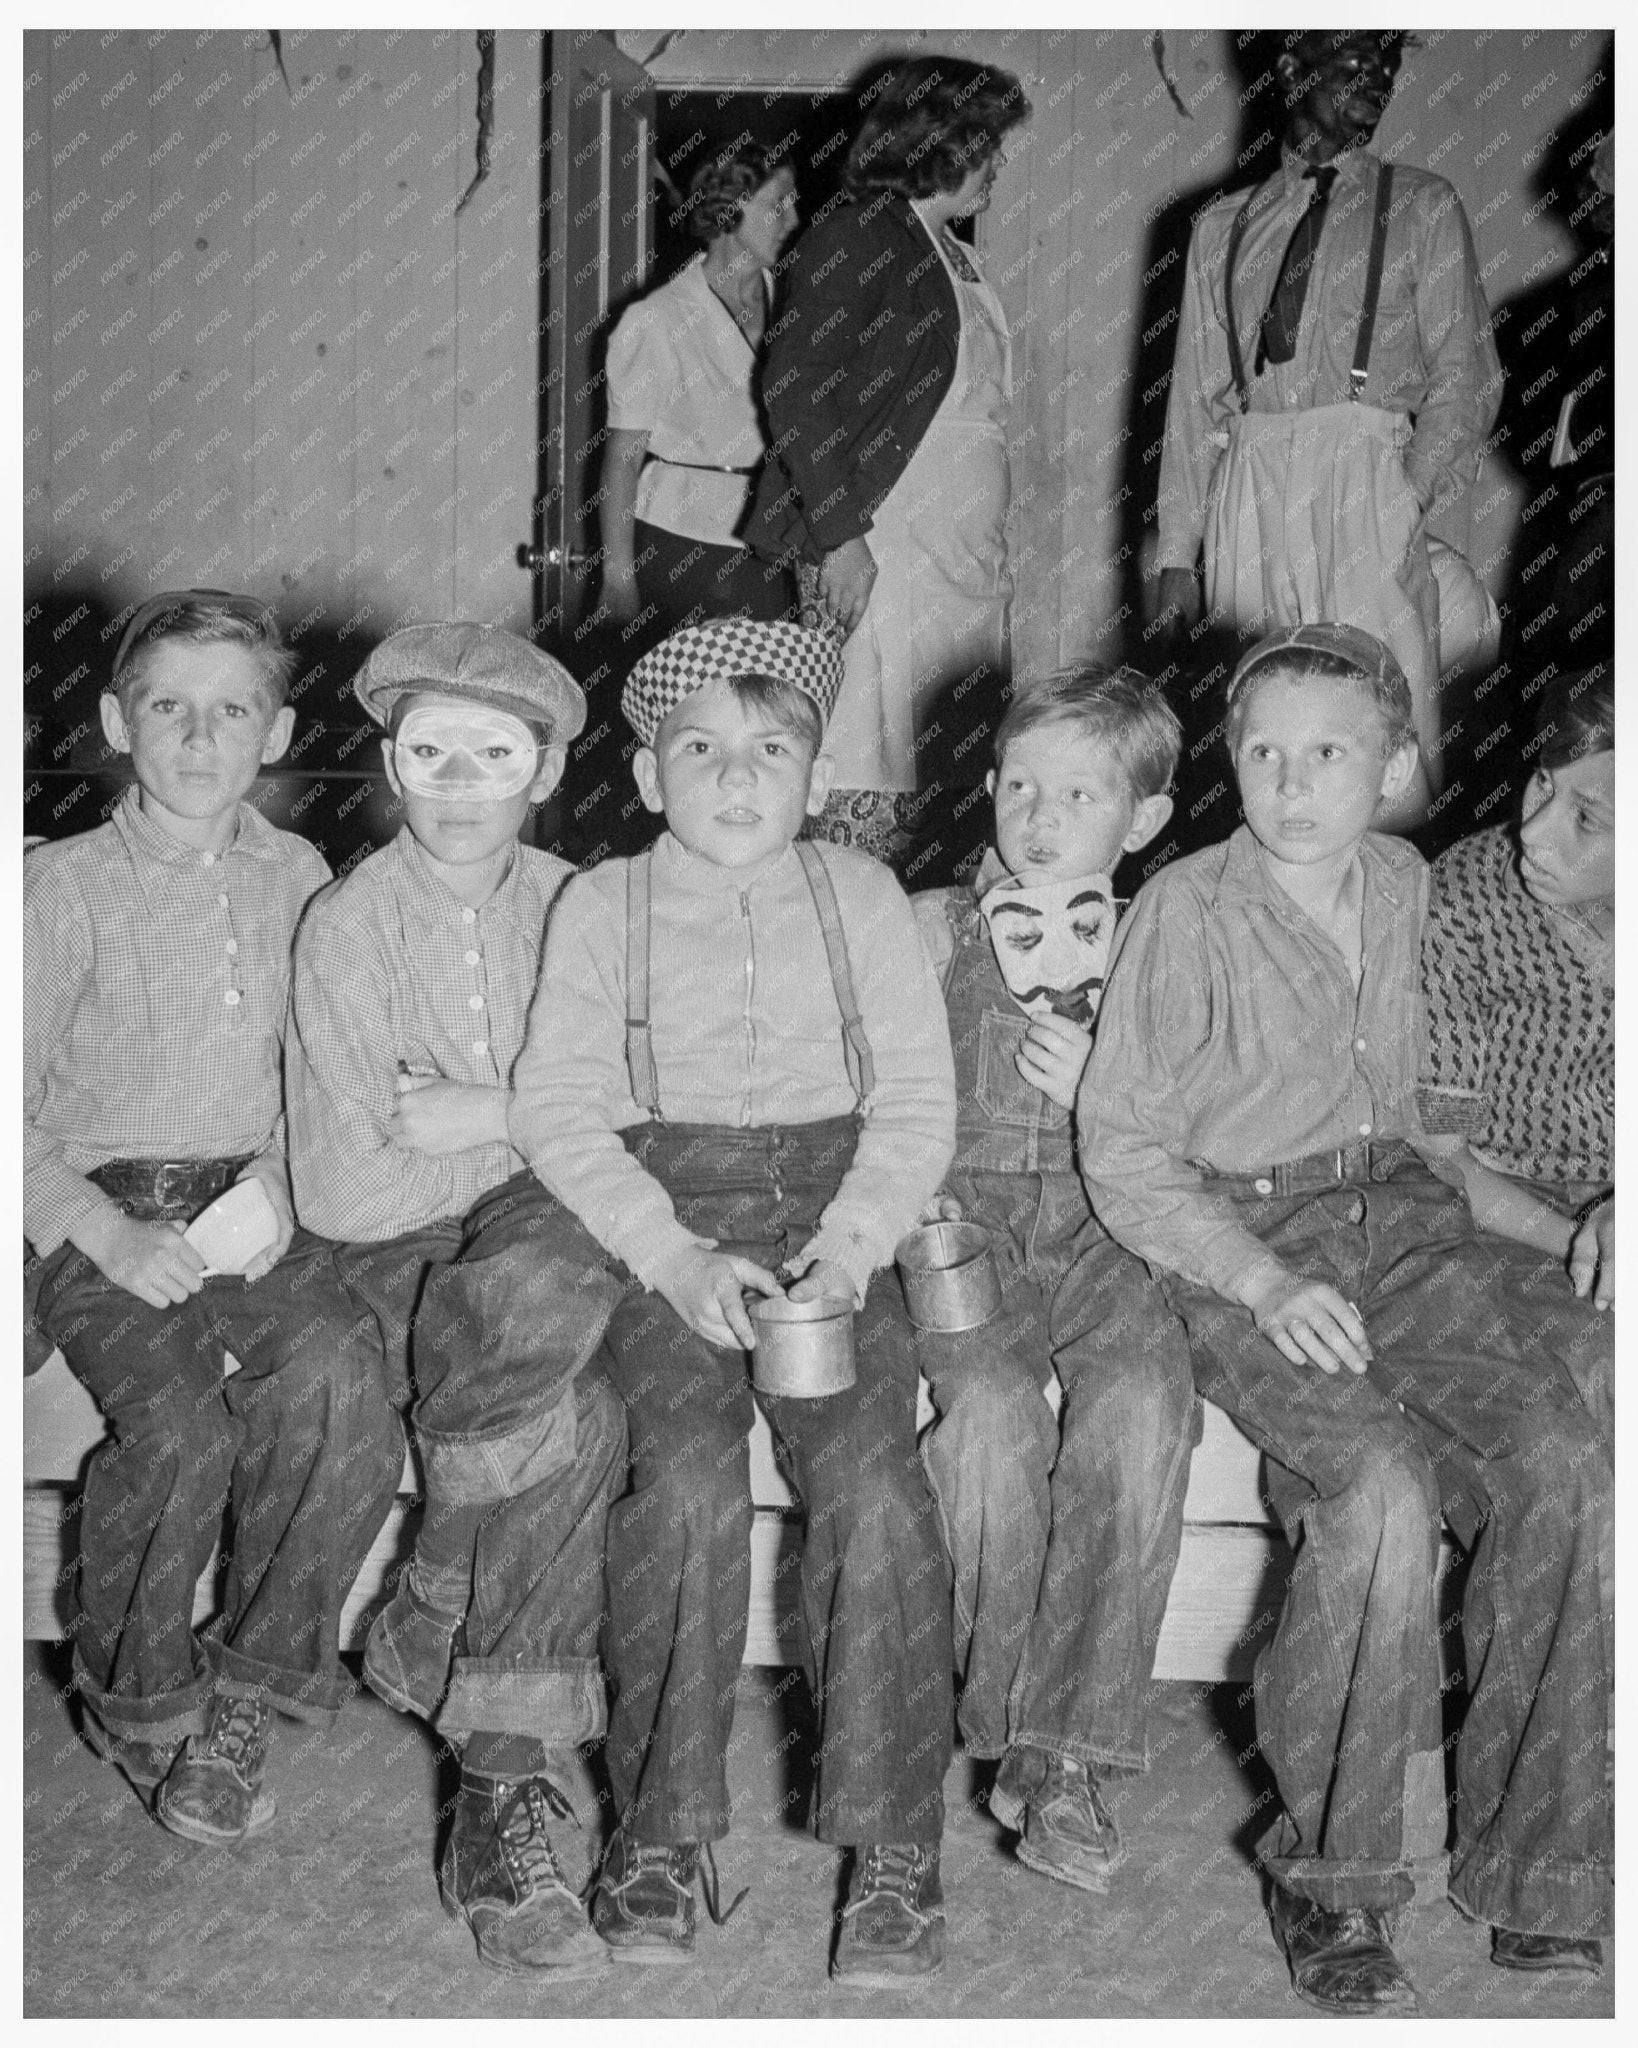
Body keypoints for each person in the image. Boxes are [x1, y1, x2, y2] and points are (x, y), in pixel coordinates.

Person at [1080, 622, 1610, 2013]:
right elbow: (1125, 1152)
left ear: (1392, 769)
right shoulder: (1183, 910)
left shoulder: (1405, 883)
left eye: (1329, 753)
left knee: (1557, 1464)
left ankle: (1540, 1872)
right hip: (1253, 1234)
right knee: (1372, 1493)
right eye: (1261, 752)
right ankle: (1332, 1879)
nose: (1292, 782)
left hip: (1407, 1222)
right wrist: (1255, 1278)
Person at [509, 616, 958, 1985]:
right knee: (687, 1487)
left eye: (771, 749)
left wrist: (854, 1243)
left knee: (876, 1492)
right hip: (674, 1215)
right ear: (648, 780)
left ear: (816, 777)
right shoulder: (604, 905)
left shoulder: (862, 900)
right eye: (698, 751)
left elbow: (918, 1102)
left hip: (838, 1209)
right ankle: (658, 1826)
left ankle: (893, 1841)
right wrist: (673, 1257)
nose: (736, 778)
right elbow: (557, 1113)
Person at [24, 589, 403, 1846]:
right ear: (114, 725)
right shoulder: (55, 889)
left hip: (254, 1194)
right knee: (180, 1426)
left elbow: (313, 1063)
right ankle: (137, 1697)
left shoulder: (298, 872)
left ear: (279, 730)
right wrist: (100, 1232)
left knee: (347, 1374)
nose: (199, 735)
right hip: (105, 1212)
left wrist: (290, 1183)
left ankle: (251, 1685)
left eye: (230, 709)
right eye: (168, 708)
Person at [285, 623, 623, 1975]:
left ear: (542, 772)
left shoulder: (588, 907)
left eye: (497, 755)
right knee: (580, 1416)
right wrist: (548, 1125)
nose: (463, 782)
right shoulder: (348, 925)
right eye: (433, 754)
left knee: (540, 1270)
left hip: (537, 1221)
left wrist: (487, 1112)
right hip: (398, 1244)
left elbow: (642, 1111)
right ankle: (494, 1801)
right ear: (388, 764)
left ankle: (434, 1585)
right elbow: (347, 1191)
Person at [910, 668, 1200, 1892]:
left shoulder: (1165, 940)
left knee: (1141, 1406)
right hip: (964, 1215)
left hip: (1109, 1221)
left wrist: (1110, 1084)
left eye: (1078, 793)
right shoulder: (930, 924)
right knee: (982, 1419)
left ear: (1140, 821)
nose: (1039, 814)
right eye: (1019, 785)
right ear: (985, 790)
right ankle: (1014, 1724)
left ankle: (1069, 1751)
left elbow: (1210, 1119)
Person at [1155, 31, 1502, 828]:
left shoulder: (1423, 203)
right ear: (1290, 72)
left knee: (1379, 715)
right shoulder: (1223, 226)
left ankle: (1390, 903)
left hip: (1364, 470)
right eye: (1354, 67)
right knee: (1258, 716)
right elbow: (1196, 400)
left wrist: (1403, 495)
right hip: (1250, 475)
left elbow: (1467, 372)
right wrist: (1178, 551)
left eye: (1388, 71)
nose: (1376, 85)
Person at [749, 55, 1031, 866]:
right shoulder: (857, 230)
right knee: (865, 755)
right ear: (939, 143)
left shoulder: (956, 253)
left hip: (960, 563)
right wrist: (840, 535)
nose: (999, 164)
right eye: (988, 144)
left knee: (949, 756)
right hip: (879, 547)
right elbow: (796, 387)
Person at [1417, 663, 1614, 1437]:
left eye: (1587, 819)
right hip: (1499, 1218)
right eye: (1541, 783)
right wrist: (1582, 1242)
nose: (1532, 829)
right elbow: (1436, 1149)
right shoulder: (1467, 894)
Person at [599, 144, 799, 641]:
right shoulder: (658, 319)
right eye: (779, 205)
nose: (793, 218)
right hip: (682, 546)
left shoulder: (797, 304)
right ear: (729, 208)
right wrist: (618, 579)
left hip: (776, 547)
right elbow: (623, 457)